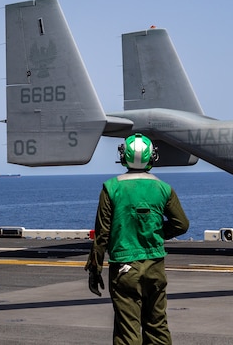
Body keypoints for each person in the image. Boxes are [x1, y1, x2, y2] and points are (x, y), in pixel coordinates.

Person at [85, 134, 190, 345]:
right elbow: (181, 224)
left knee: (127, 332)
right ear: (152, 157)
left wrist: (95, 270)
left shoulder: (111, 188)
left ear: (124, 157)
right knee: (157, 327)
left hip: (124, 267)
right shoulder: (163, 188)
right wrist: (156, 234)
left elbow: (102, 234)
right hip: (155, 266)